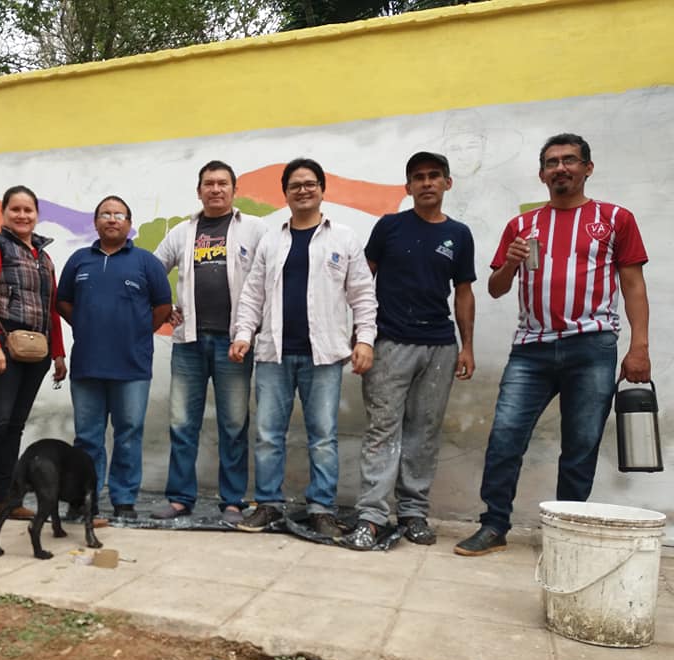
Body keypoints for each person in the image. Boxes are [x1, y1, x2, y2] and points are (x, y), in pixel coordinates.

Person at [455, 133, 652, 556]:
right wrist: (509, 263)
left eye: (570, 160)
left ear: (587, 168)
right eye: (552, 162)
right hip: (531, 350)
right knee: (505, 438)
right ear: (542, 174)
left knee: (580, 445)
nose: (560, 168)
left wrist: (640, 347)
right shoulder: (522, 226)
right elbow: (495, 288)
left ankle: (565, 533)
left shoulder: (615, 218)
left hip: (592, 347)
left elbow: (633, 285)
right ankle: (494, 525)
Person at [230, 158, 377, 538]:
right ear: (285, 193)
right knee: (268, 435)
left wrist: (364, 339)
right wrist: (243, 334)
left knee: (323, 437)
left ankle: (321, 509)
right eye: (295, 185)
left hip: (323, 356)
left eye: (310, 184)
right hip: (273, 354)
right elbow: (252, 294)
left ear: (322, 190)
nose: (303, 190)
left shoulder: (343, 238)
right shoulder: (271, 240)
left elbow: (363, 295)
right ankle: (268, 505)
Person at [351, 152, 476, 550]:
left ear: (447, 183)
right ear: (408, 187)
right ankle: (371, 517)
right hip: (390, 343)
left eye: (434, 176)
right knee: (382, 430)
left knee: (424, 432)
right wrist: (361, 336)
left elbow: (464, 292)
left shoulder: (459, 234)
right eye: (418, 177)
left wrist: (467, 346)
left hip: (440, 346)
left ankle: (412, 513)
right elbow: (362, 282)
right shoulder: (389, 227)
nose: (426, 183)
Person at [149, 161, 267, 524]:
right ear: (199, 190)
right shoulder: (182, 232)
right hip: (189, 342)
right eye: (209, 184)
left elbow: (269, 276)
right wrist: (162, 309)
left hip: (234, 343)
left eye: (222, 183)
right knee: (183, 423)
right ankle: (180, 498)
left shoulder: (255, 229)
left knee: (234, 424)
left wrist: (254, 328)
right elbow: (151, 271)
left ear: (234, 189)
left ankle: (233, 502)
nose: (216, 189)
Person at [56, 196, 172, 519]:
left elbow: (163, 306)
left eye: (119, 215)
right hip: (87, 365)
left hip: (132, 366)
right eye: (105, 214)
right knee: (87, 438)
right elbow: (63, 301)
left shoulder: (146, 262)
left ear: (129, 224)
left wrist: (139, 331)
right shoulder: (79, 260)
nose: (112, 219)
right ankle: (84, 498)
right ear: (95, 222)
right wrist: (84, 324)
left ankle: (124, 499)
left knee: (128, 434)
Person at [0, 186, 67, 531]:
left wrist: (59, 354)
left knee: (14, 426)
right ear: (4, 213)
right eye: (15, 209)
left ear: (37, 214)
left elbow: (51, 310)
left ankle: (4, 498)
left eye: (28, 210)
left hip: (35, 352)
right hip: (1, 350)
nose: (22, 215)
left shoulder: (44, 258)